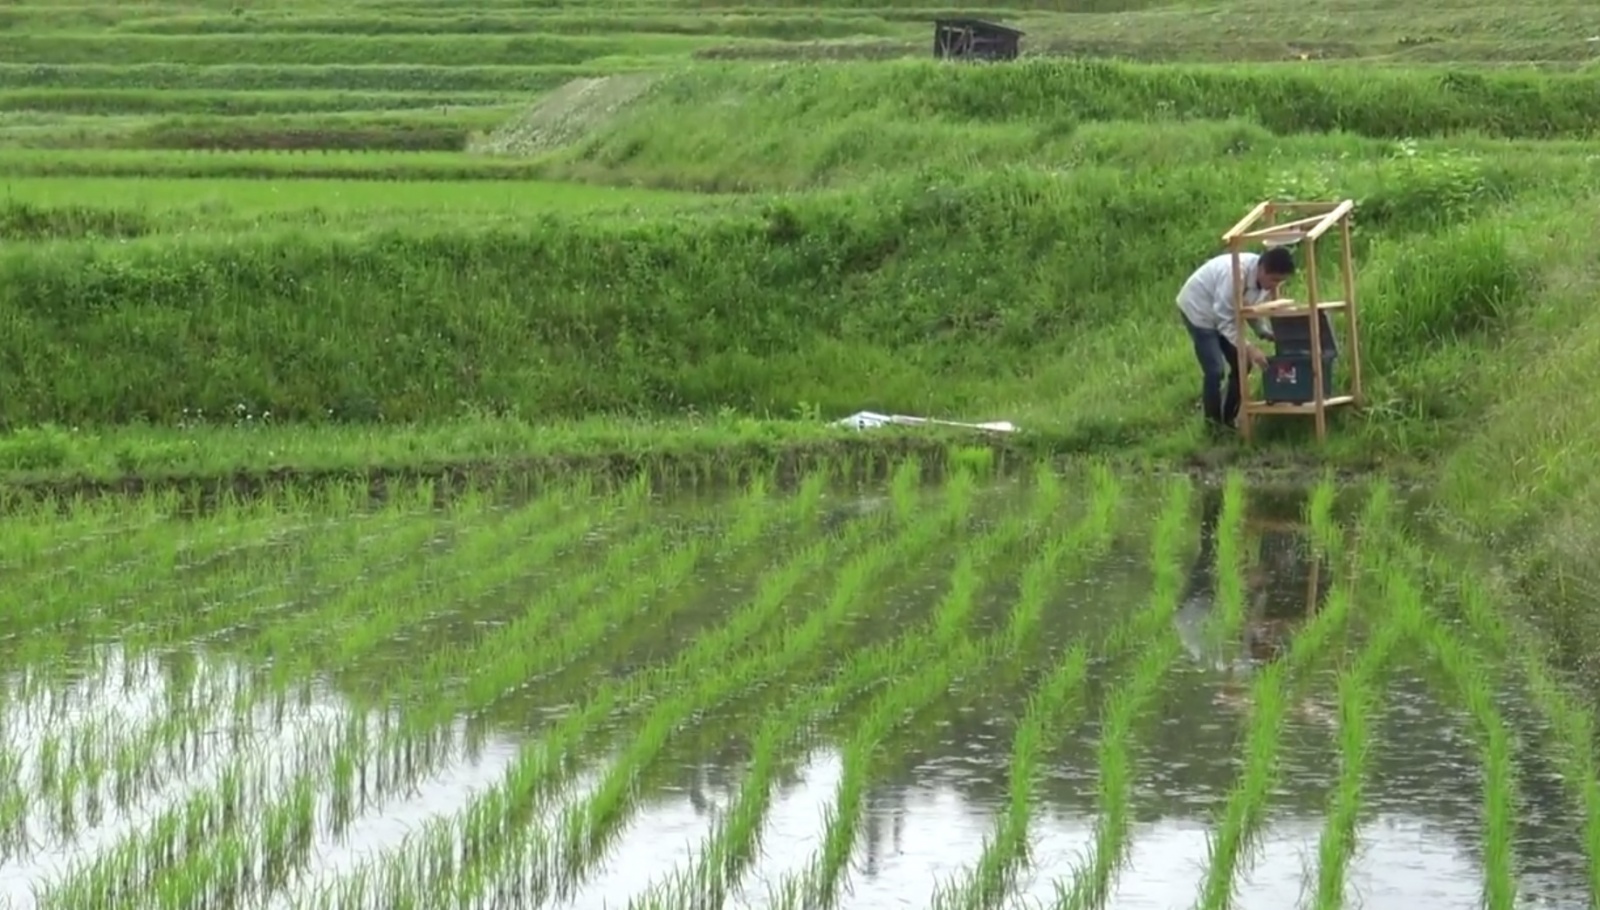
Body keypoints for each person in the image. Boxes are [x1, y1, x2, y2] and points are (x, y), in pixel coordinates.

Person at [1176, 245, 1297, 432]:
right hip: (1199, 310)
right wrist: (1250, 348)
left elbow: (1247, 306)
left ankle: (1229, 420)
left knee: (1243, 364)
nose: (1275, 285)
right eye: (1274, 279)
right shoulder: (1234, 275)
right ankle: (1213, 426)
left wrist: (1262, 331)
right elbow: (1226, 320)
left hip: (1222, 313)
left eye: (1280, 282)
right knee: (1215, 369)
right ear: (1262, 269)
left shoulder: (1261, 278)